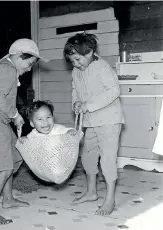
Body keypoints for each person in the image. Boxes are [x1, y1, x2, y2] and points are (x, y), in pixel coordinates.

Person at [0, 39, 45, 225]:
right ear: (18, 56)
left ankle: (8, 199)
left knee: (15, 156)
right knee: (4, 167)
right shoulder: (7, 70)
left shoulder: (9, 69)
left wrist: (14, 115)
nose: (30, 69)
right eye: (29, 64)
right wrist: (15, 114)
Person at [63, 33, 124, 216]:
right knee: (88, 157)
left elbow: (114, 91)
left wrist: (88, 105)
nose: (75, 64)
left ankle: (110, 199)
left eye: (77, 59)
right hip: (90, 122)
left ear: (89, 52)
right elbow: (76, 90)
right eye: (72, 61)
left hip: (109, 121)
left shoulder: (101, 67)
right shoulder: (76, 71)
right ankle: (91, 192)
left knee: (107, 159)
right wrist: (76, 103)